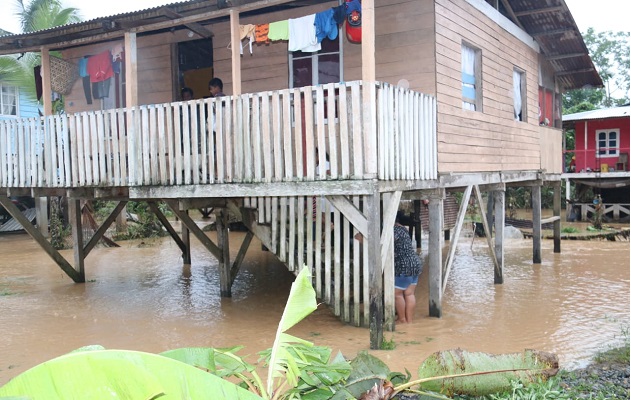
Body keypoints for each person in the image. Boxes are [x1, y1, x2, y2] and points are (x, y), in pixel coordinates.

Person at [392, 211, 422, 324]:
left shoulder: (393, 230)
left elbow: (385, 244)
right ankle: (409, 321)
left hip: (404, 265)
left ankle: (401, 319)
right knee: (409, 293)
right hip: (415, 263)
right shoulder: (403, 229)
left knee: (396, 294)